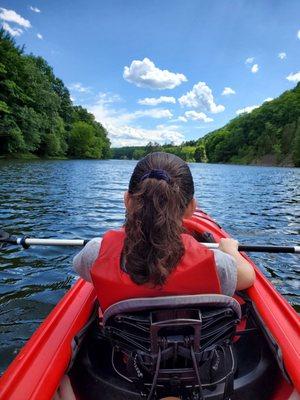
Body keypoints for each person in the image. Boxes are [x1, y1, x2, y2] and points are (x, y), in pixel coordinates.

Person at [74, 152, 255, 311]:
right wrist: (230, 249)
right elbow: (248, 276)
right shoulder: (218, 264)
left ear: (127, 201)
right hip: (192, 346)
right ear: (191, 207)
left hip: (129, 345)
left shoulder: (94, 254)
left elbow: (84, 270)